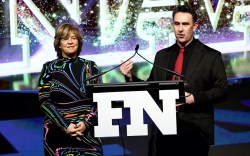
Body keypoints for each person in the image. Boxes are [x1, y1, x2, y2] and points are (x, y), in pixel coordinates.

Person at [120, 5, 229, 156]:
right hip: (164, 130)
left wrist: (194, 98)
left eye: (185, 24)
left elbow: (222, 90)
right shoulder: (162, 55)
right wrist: (130, 78)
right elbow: (151, 89)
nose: (180, 29)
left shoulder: (211, 56)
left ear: (195, 26)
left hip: (196, 132)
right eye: (177, 24)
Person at [38, 23, 103, 156]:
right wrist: (65, 126)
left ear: (79, 42)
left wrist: (86, 123)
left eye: (74, 38)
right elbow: (44, 101)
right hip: (57, 135)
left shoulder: (90, 67)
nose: (70, 42)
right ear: (58, 43)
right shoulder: (48, 68)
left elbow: (100, 99)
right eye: (65, 38)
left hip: (88, 134)